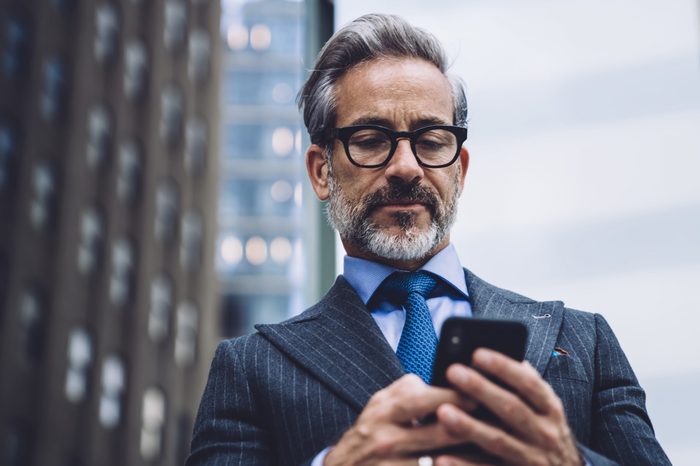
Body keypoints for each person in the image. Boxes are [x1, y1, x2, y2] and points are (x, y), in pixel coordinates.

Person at [187, 13, 670, 466]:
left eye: (432, 140)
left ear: (458, 170)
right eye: (372, 139)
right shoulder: (249, 369)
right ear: (321, 172)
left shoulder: (585, 341)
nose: (405, 167)